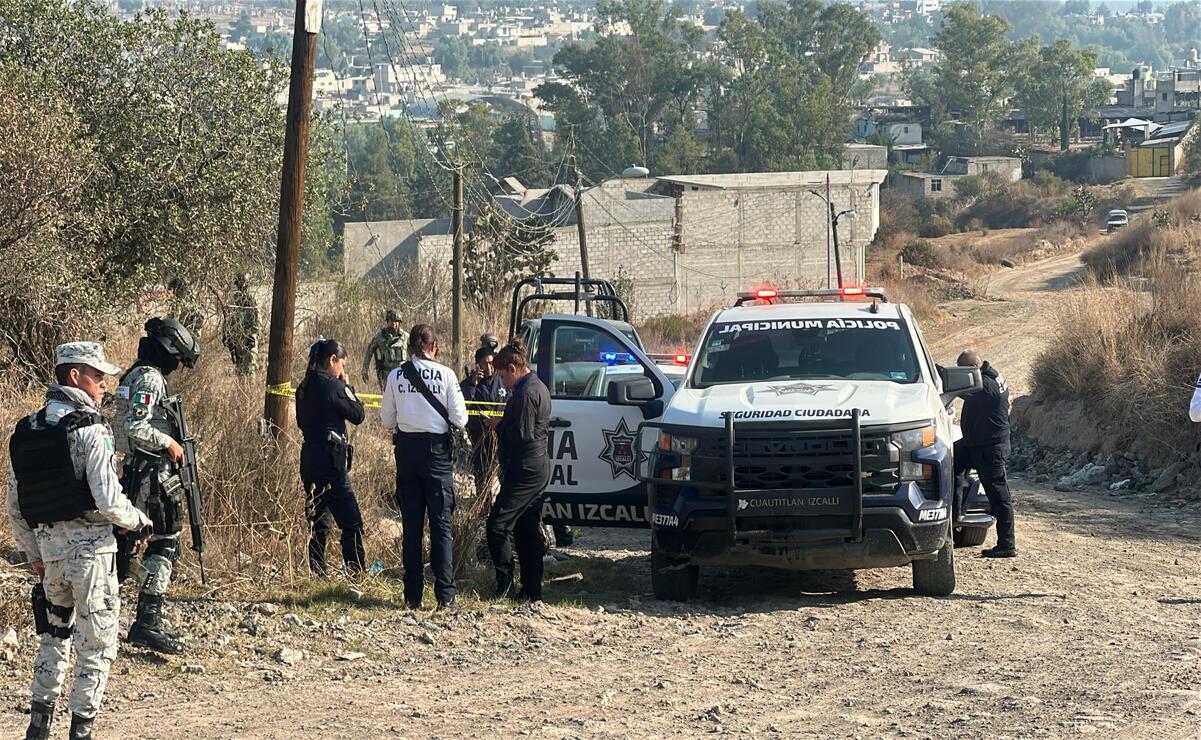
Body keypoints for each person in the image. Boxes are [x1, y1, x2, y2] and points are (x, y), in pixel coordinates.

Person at [6, 342, 152, 740]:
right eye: (97, 375)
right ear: (75, 377)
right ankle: (81, 732)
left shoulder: (27, 431)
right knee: (96, 647)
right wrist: (138, 520)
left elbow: (15, 506)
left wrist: (35, 555)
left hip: (51, 557)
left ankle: (37, 730)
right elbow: (108, 499)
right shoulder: (90, 428)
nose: (104, 384)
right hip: (91, 556)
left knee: (53, 640)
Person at [113, 317, 200, 654]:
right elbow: (136, 426)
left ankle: (109, 617)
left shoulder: (135, 373)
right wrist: (169, 442)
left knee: (126, 545)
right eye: (179, 360)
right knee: (164, 543)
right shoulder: (149, 378)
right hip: (151, 476)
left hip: (134, 470)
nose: (178, 367)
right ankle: (147, 623)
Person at [381, 324, 468, 609]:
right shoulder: (446, 375)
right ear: (434, 347)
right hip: (437, 454)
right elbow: (460, 418)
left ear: (410, 347)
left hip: (407, 451)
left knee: (412, 526)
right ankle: (445, 596)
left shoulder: (396, 375)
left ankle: (412, 597)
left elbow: (386, 420)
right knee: (441, 525)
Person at [486, 340, 552, 601]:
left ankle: (505, 586)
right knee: (525, 528)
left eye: (502, 376)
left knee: (497, 526)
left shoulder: (525, 394)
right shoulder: (536, 387)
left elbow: (521, 435)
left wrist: (498, 426)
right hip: (534, 467)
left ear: (512, 369)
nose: (502, 383)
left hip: (526, 469)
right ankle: (531, 589)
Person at [296, 338, 366, 576]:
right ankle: (356, 573)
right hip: (332, 462)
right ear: (332, 360)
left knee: (318, 522)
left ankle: (318, 572)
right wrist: (349, 387)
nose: (342, 371)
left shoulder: (303, 388)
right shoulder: (332, 386)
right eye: (341, 365)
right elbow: (358, 414)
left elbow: (300, 422)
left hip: (309, 460)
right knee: (352, 522)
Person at [954, 349, 1016, 558]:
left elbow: (959, 390)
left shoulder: (986, 386)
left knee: (999, 495)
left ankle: (1007, 544)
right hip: (975, 444)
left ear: (972, 369)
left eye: (963, 373)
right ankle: (954, 516)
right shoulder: (987, 375)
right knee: (948, 463)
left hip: (990, 448)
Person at [460, 345, 507, 495]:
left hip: (501, 436)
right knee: (482, 475)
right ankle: (484, 508)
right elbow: (462, 407)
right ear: (477, 364)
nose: (489, 367)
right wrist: (472, 385)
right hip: (480, 437)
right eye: (485, 363)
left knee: (504, 475)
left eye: (491, 362)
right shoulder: (469, 384)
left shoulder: (502, 380)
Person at [222, 271, 259, 378]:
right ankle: (241, 392)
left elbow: (257, 321)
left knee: (249, 370)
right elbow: (228, 319)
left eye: (244, 283)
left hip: (249, 339)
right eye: (240, 283)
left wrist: (252, 336)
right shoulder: (234, 299)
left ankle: (249, 393)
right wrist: (226, 336)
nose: (242, 285)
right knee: (239, 370)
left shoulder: (251, 300)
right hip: (237, 339)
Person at [362, 309, 408, 387]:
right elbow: (369, 352)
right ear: (387, 321)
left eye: (396, 321)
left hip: (402, 375)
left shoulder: (405, 337)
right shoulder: (379, 337)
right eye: (391, 321)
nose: (394, 323)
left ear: (399, 322)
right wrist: (365, 369)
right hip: (386, 375)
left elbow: (415, 351)